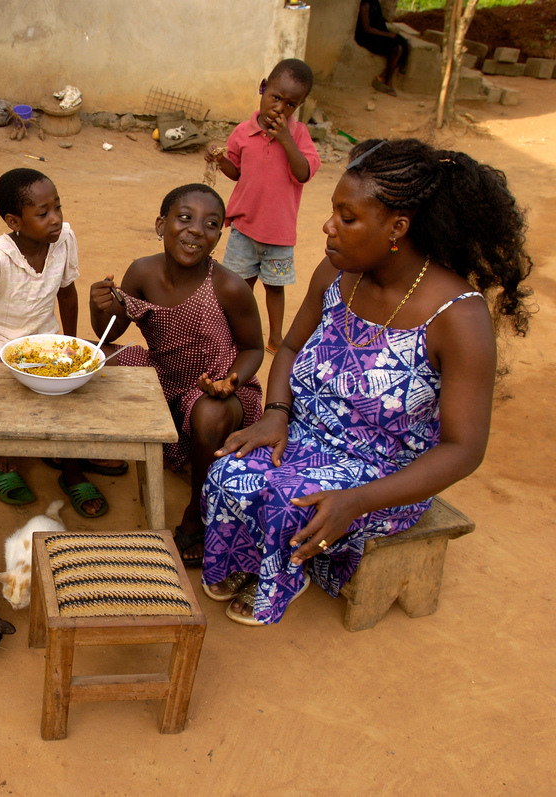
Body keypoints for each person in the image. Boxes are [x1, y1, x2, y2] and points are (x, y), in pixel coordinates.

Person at [201, 138, 533, 625]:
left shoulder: (458, 317)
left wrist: (359, 500)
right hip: (305, 438)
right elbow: (289, 346)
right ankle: (254, 560)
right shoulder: (338, 273)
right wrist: (276, 416)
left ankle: (281, 578)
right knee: (229, 470)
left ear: (397, 227)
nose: (328, 227)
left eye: (347, 218)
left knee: (289, 502)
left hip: (383, 473)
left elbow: (464, 448)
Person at [89, 184, 264, 567]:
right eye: (185, 218)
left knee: (208, 412)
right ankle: (82, 456)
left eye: (211, 224)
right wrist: (99, 302)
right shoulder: (142, 271)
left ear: (218, 237)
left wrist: (230, 381)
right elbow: (110, 332)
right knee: (92, 359)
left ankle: (198, 516)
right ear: (160, 224)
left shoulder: (228, 286)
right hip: (163, 375)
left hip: (218, 388)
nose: (196, 229)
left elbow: (253, 348)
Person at [0, 167, 114, 519]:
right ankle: (6, 458)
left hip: (45, 335)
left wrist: (71, 344)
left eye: (58, 207)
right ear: (14, 221)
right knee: (4, 382)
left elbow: (67, 294)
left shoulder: (64, 239)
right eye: (43, 213)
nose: (55, 219)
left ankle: (70, 468)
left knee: (72, 382)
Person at [206, 58, 321, 355]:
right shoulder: (243, 132)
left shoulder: (298, 136)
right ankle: (232, 334)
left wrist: (285, 140)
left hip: (278, 234)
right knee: (238, 286)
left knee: (274, 287)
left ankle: (275, 338)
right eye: (276, 97)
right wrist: (220, 160)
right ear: (263, 88)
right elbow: (237, 172)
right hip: (244, 228)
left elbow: (304, 172)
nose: (280, 108)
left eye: (291, 105)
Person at [356, 0, 410, 97]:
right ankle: (389, 82)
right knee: (396, 48)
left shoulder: (375, 3)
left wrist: (389, 34)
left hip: (378, 34)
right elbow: (367, 29)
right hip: (367, 38)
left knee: (403, 44)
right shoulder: (365, 4)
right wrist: (388, 34)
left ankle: (382, 77)